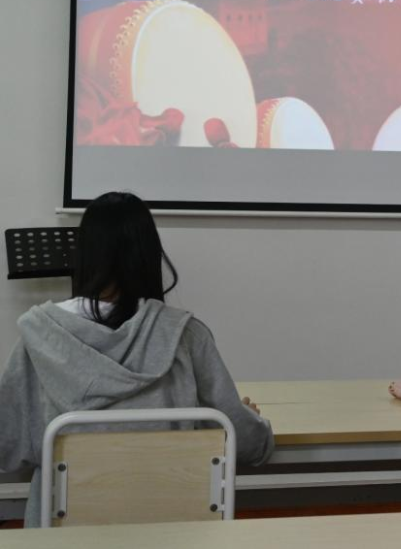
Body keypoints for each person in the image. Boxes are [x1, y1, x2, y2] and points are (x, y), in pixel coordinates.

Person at [0, 192, 274, 527]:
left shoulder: (38, 338)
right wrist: (249, 420)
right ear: (148, 255)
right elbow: (243, 443)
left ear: (83, 254)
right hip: (172, 534)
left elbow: (8, 448)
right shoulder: (186, 336)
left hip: (63, 538)